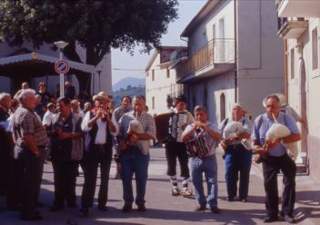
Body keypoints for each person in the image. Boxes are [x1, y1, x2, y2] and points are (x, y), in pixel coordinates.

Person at [252, 95, 301, 223]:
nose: (270, 109)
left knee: (290, 182)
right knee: (269, 185)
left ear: (279, 107)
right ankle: (271, 213)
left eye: (273, 106)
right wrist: (258, 149)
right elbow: (254, 141)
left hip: (284, 155)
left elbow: (297, 136)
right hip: (268, 157)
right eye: (268, 106)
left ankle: (287, 213)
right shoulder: (259, 120)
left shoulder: (286, 118)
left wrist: (279, 139)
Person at [11, 89, 49, 220]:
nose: (36, 100)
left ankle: (28, 209)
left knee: (26, 182)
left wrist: (18, 144)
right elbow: (28, 136)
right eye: (33, 98)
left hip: (24, 151)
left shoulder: (19, 111)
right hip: (31, 152)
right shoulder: (26, 114)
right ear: (25, 100)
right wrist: (36, 151)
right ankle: (28, 213)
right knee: (31, 183)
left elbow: (15, 134)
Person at [80, 92, 118, 216]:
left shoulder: (110, 115)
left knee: (105, 178)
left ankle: (102, 203)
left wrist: (108, 120)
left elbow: (115, 132)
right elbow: (85, 127)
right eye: (99, 101)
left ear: (107, 103)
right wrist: (96, 117)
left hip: (105, 150)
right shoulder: (89, 113)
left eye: (104, 101)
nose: (102, 103)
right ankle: (86, 205)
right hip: (92, 150)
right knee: (90, 179)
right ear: (95, 102)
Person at [118, 96, 156, 212]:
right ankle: (128, 202)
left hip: (141, 153)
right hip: (127, 152)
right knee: (126, 178)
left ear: (144, 105)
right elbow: (119, 133)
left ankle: (140, 202)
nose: (137, 107)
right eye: (135, 104)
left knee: (141, 178)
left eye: (139, 104)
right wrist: (122, 143)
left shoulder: (149, 118)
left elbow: (151, 134)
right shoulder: (125, 117)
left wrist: (138, 137)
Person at [182, 106, 221, 213]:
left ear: (206, 115)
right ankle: (201, 203)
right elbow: (183, 138)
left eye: (201, 114)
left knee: (212, 182)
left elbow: (218, 137)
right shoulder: (191, 126)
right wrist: (194, 128)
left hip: (210, 157)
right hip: (195, 158)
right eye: (197, 115)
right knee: (196, 182)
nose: (199, 116)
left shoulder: (212, 125)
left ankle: (212, 204)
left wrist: (206, 128)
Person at [50, 97, 83, 211]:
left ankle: (71, 201)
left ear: (69, 106)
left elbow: (81, 133)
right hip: (57, 153)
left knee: (71, 178)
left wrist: (68, 135)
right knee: (58, 179)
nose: (59, 108)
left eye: (61, 106)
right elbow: (51, 131)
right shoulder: (55, 118)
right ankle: (58, 202)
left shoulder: (77, 118)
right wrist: (54, 132)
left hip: (71, 153)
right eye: (58, 106)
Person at [220, 104, 252, 202]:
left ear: (242, 112)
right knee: (229, 172)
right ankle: (231, 194)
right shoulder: (225, 121)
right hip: (230, 149)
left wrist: (233, 136)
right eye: (234, 109)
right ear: (231, 111)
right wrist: (223, 141)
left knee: (244, 172)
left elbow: (247, 133)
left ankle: (243, 196)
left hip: (244, 148)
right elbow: (219, 134)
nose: (236, 111)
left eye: (239, 109)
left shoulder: (246, 121)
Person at [165, 96, 194, 196]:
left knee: (184, 165)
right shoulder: (169, 113)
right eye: (180, 104)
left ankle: (185, 187)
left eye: (184, 104)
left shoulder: (188, 114)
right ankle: (174, 187)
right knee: (171, 165)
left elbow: (193, 126)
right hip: (170, 143)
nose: (182, 106)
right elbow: (162, 125)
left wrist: (188, 128)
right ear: (176, 104)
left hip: (183, 143)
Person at [112, 96, 133, 179]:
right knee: (117, 155)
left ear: (130, 103)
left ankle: (127, 172)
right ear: (121, 102)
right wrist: (118, 136)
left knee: (128, 155)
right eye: (124, 101)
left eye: (127, 101)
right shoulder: (117, 111)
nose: (125, 103)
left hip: (128, 136)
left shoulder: (132, 111)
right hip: (118, 136)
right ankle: (118, 172)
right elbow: (114, 124)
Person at [0, 93, 12, 196]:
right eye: (9, 100)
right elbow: (4, 128)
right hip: (3, 144)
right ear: (3, 101)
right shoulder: (1, 112)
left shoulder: (6, 112)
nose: (11, 101)